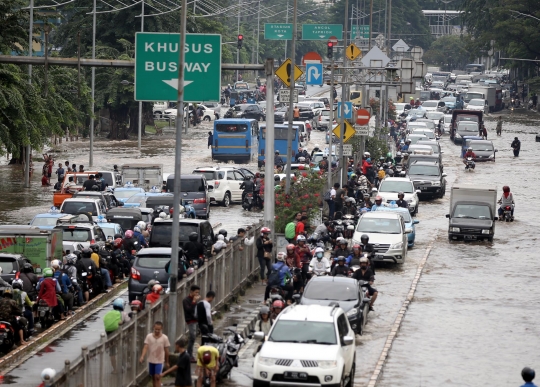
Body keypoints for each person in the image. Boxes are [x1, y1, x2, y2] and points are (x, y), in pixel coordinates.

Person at [103, 298, 131, 372]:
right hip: (119, 335)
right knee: (121, 350)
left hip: (110, 335)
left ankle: (115, 369)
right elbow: (129, 322)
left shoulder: (109, 313)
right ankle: (124, 366)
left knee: (112, 353)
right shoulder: (123, 314)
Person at [140, 321, 170, 387]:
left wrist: (167, 361)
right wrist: (142, 356)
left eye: (158, 330)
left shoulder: (165, 338)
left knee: (157, 376)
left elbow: (166, 351)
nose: (157, 331)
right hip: (151, 359)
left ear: (161, 329)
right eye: (156, 329)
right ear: (153, 327)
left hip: (160, 360)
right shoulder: (149, 336)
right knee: (153, 376)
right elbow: (145, 347)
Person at [182, 285, 200, 361]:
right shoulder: (186, 300)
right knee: (192, 337)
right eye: (196, 292)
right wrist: (193, 301)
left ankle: (190, 353)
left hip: (196, 320)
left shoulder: (195, 300)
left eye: (198, 293)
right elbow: (188, 310)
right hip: (190, 320)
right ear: (191, 292)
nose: (197, 294)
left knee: (193, 337)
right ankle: (189, 355)